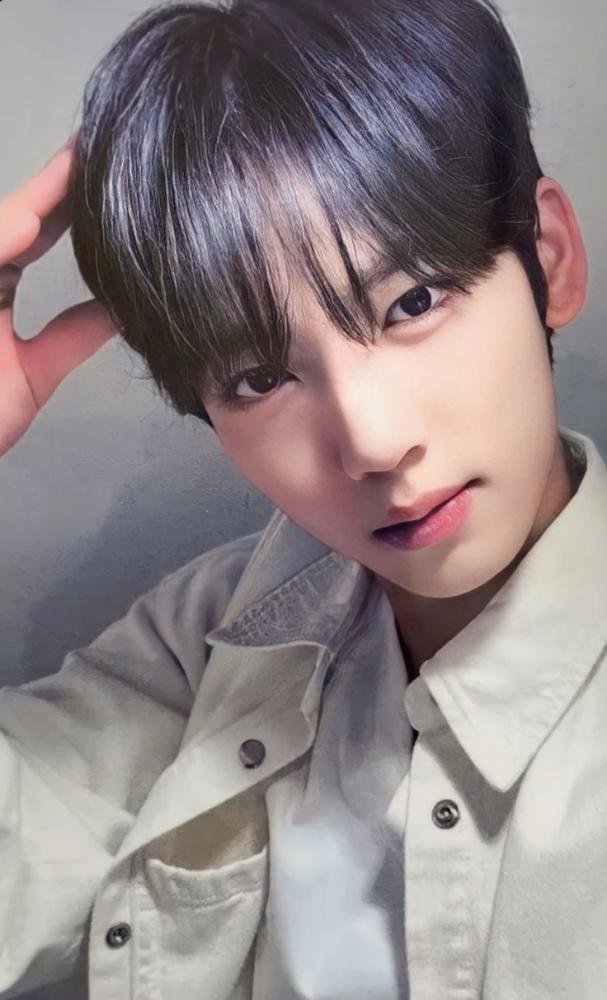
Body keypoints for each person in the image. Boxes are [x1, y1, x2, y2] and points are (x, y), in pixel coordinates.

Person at [0, 0, 604, 997]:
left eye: (412, 301)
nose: (372, 441)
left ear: (548, 258)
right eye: (258, 378)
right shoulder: (204, 642)